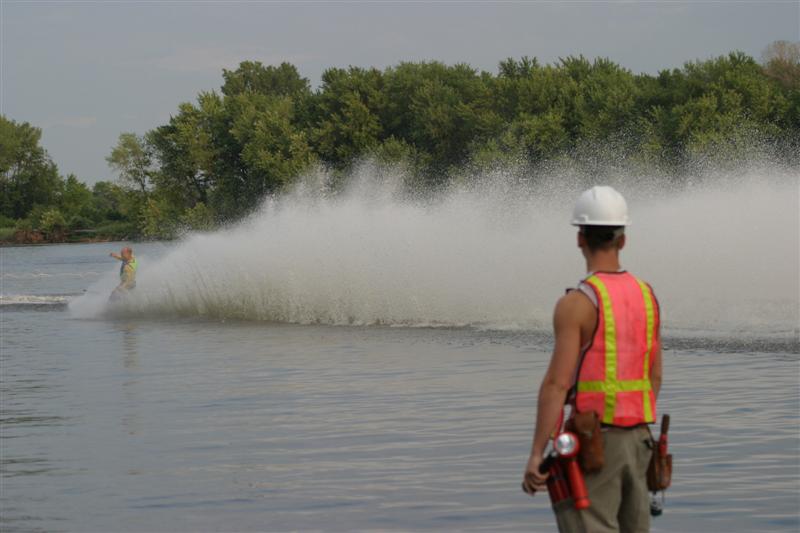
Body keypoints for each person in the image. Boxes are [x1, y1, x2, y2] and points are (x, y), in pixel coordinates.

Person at [522, 186, 663, 533]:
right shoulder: (647, 295)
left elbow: (557, 384)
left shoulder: (576, 304)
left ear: (580, 238)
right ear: (623, 240)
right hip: (641, 440)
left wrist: (537, 452)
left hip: (595, 444)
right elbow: (655, 377)